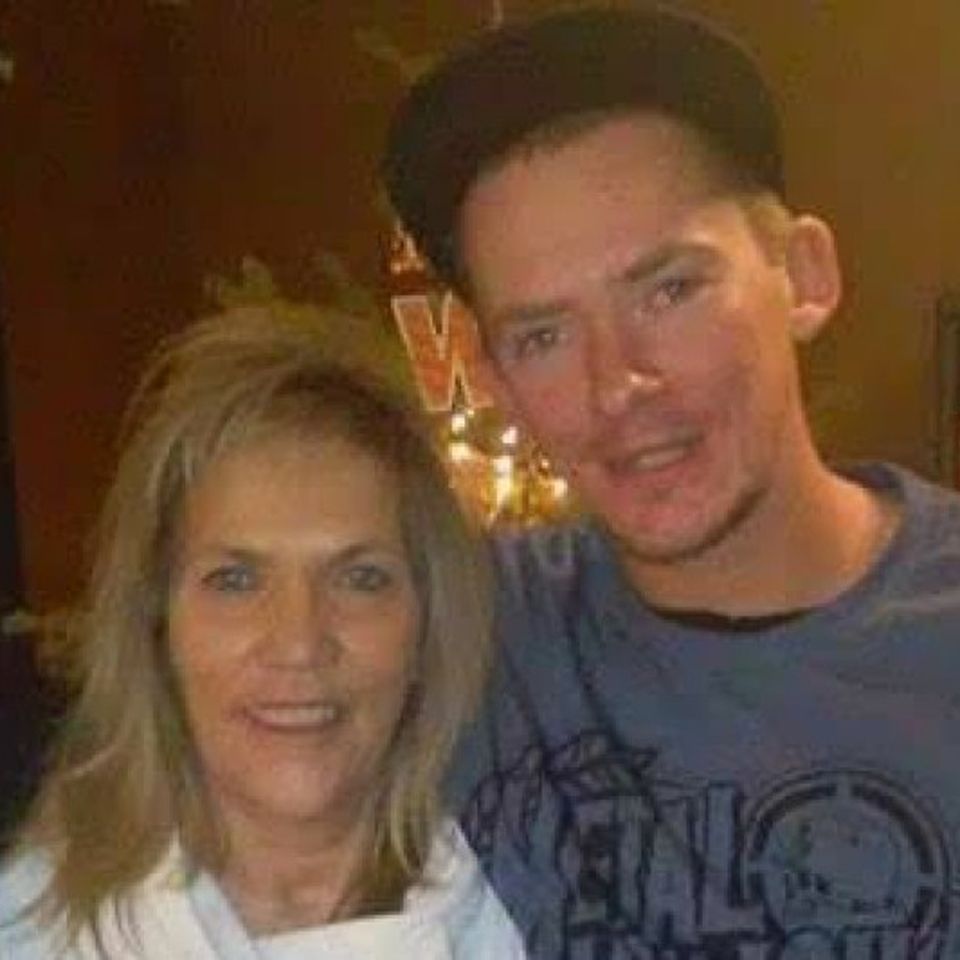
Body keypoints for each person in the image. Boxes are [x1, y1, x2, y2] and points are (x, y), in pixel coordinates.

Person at [382, 4, 960, 958]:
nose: (617, 384)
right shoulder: (467, 631)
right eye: (543, 335)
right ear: (494, 379)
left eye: (670, 290)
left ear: (804, 273)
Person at [0, 310, 525, 958]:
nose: (299, 643)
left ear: (427, 626)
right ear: (157, 626)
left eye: (360, 578)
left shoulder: (540, 904)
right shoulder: (33, 933)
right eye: (235, 581)